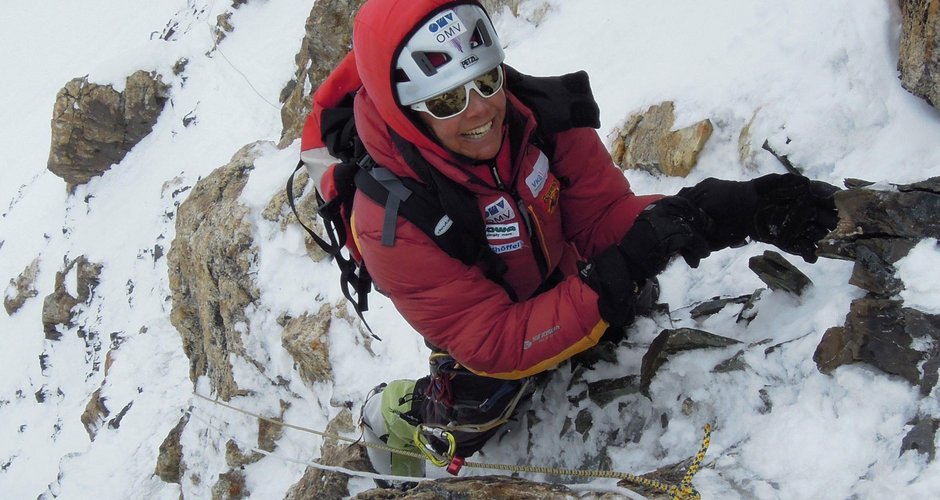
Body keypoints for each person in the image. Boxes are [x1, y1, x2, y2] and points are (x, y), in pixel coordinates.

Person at [306, 0, 839, 478]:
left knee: (626, 305)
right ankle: (394, 413)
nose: (480, 111)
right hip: (484, 324)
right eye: (445, 102)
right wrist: (617, 272)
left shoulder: (542, 117)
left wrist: (717, 212)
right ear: (406, 113)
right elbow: (493, 338)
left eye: (487, 80)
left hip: (560, 269)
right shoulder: (391, 220)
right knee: (476, 411)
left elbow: (603, 216)